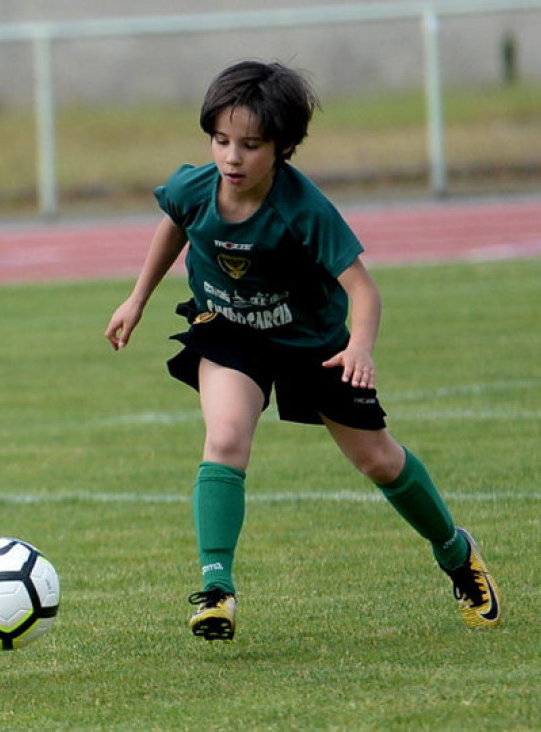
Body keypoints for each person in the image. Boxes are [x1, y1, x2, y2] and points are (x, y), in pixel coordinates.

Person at [103, 60, 501, 641]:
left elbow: (363, 288)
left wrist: (360, 347)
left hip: (313, 346)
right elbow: (175, 221)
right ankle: (217, 589)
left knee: (379, 461)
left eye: (251, 145)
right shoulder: (195, 188)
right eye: (221, 140)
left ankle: (455, 551)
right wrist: (137, 298)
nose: (232, 157)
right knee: (225, 438)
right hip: (230, 331)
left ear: (283, 147)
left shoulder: (303, 209)